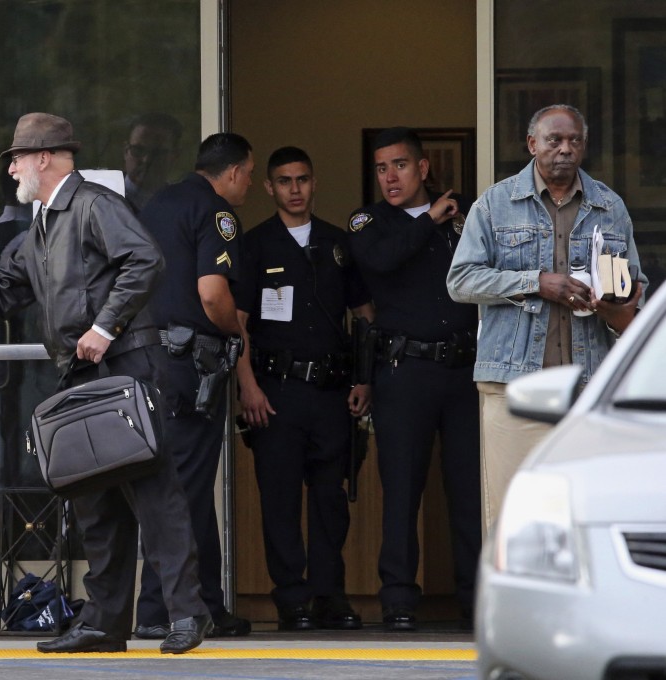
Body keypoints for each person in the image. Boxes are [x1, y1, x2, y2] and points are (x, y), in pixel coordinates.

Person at [0, 112, 212, 655]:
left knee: (154, 494)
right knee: (95, 502)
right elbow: (1, 292)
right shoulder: (41, 224)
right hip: (82, 371)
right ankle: (105, 623)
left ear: (44, 158)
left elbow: (145, 260)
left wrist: (104, 327)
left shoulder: (94, 204)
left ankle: (188, 613)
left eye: (17, 158)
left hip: (125, 364)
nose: (11, 168)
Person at [447, 104, 645, 531]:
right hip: (514, 387)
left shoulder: (609, 206)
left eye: (574, 140)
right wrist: (536, 282)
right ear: (532, 144)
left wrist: (612, 306)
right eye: (554, 140)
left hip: (588, 389)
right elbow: (461, 281)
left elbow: (634, 297)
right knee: (512, 519)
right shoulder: (496, 203)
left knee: (586, 518)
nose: (565, 149)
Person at [347, 126, 481, 631]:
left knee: (469, 491)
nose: (390, 177)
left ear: (422, 168)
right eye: (382, 168)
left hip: (464, 369)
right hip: (405, 370)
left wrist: (445, 218)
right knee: (402, 489)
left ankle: (477, 599)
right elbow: (381, 260)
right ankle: (399, 599)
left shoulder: (463, 215)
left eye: (400, 165)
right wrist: (428, 219)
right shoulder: (369, 221)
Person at [235, 146, 373, 631]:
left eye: (303, 180)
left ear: (314, 183)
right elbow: (237, 324)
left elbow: (364, 316)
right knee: (280, 499)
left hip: (332, 392)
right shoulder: (255, 245)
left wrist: (364, 379)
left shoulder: (338, 243)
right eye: (284, 181)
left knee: (331, 501)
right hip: (275, 391)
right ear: (269, 187)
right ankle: (292, 600)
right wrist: (247, 386)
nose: (295, 190)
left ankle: (330, 596)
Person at [132, 132, 254, 640]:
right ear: (233, 172)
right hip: (190, 365)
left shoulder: (158, 203)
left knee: (191, 484)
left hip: (151, 357)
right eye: (249, 175)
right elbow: (212, 295)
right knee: (182, 488)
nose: (248, 184)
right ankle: (157, 609)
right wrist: (235, 332)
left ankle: (207, 604)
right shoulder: (216, 213)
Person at [122, 112, 183, 213]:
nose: (146, 160)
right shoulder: (102, 202)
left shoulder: (186, 207)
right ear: (125, 152)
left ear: (175, 157)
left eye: (157, 152)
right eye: (138, 150)